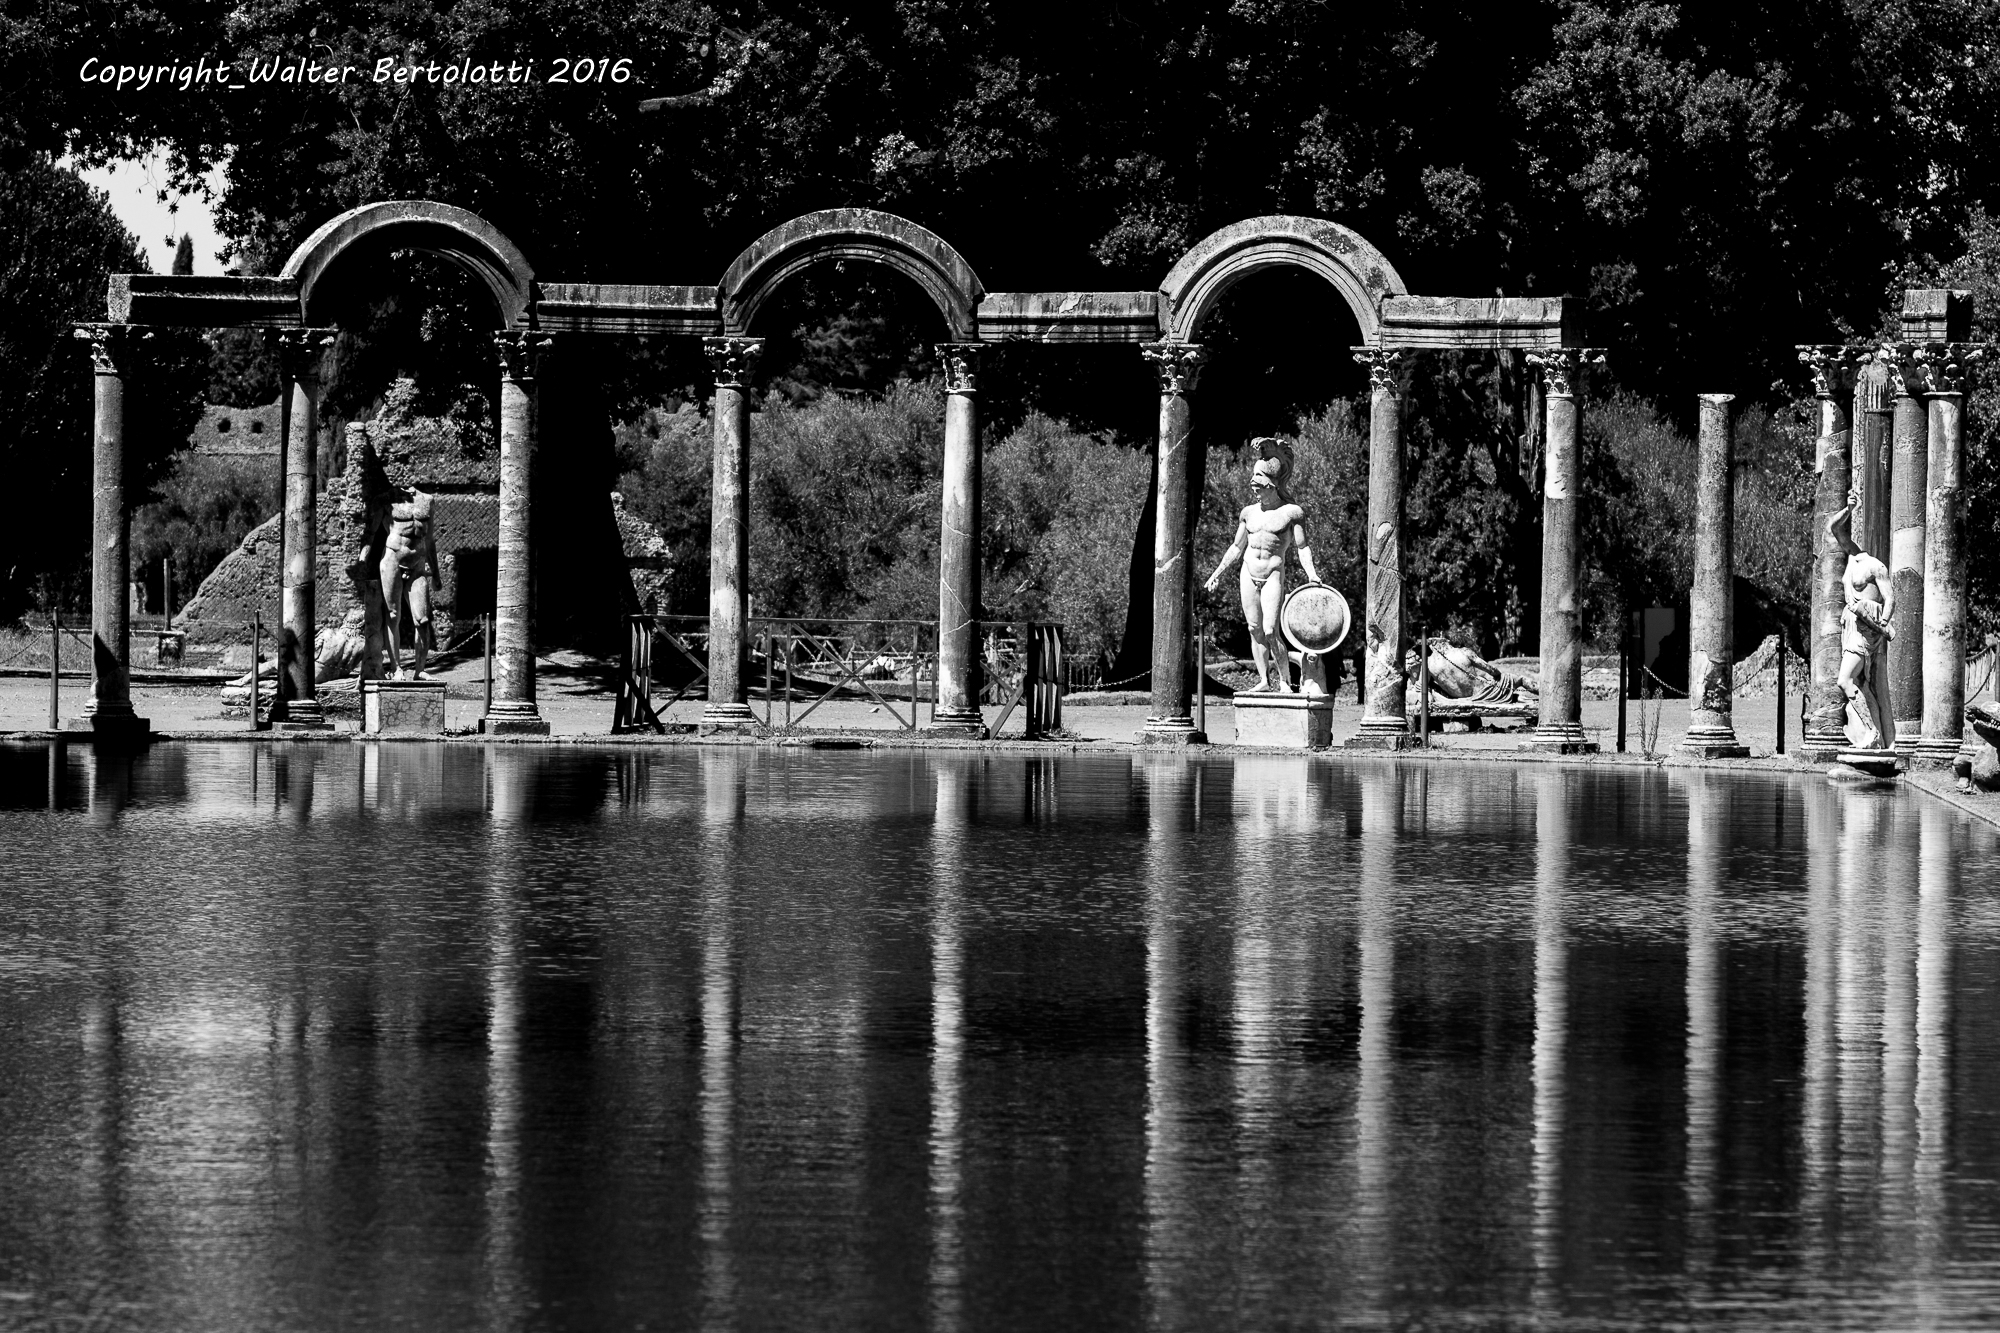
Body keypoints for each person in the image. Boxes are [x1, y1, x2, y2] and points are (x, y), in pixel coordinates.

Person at [1204, 438, 1321, 692]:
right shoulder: (1248, 513)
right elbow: (1237, 547)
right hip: (1248, 572)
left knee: (1270, 630)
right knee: (1255, 629)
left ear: (1273, 485)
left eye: (1260, 487)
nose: (1256, 491)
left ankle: (1285, 682)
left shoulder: (1292, 513)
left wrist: (1312, 575)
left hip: (1272, 574)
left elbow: (1302, 548)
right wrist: (1217, 573)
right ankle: (1264, 681)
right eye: (1254, 487)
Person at [1831, 498, 1895, 750]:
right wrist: (1848, 508)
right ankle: (1870, 732)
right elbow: (1834, 528)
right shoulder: (1852, 557)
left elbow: (1890, 599)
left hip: (1867, 629)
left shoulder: (1876, 567)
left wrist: (1882, 622)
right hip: (1851, 626)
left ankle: (1872, 733)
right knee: (1858, 682)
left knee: (1844, 680)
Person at [377, 487, 439, 680]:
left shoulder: (427, 500)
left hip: (418, 564)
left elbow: (429, 540)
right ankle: (396, 668)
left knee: (423, 619)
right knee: (393, 615)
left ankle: (420, 670)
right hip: (393, 560)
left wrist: (436, 573)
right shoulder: (386, 498)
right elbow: (372, 532)